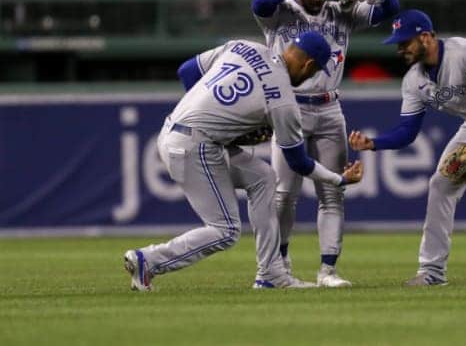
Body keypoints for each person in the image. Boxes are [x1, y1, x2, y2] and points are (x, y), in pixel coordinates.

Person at [123, 31, 364, 291]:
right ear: (308, 65)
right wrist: (338, 178)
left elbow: (187, 71)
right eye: (315, 71)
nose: (312, 76)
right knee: (225, 230)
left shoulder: (243, 47)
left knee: (263, 177)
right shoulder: (283, 100)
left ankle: (271, 273)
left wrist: (214, 116)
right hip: (195, 146)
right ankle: (149, 260)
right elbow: (298, 162)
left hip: (174, 131)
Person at [349, 9, 466, 287]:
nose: (400, 48)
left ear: (426, 37)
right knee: (440, 185)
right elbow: (407, 132)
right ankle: (432, 271)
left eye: (405, 42)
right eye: (398, 43)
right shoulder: (413, 81)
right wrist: (373, 143)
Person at [251, 0, 400, 287]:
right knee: (283, 194)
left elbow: (390, 9)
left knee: (332, 191)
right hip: (289, 106)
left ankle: (328, 271)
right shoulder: (283, 10)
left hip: (330, 108)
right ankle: (280, 265)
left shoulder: (340, 12)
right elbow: (259, 1)